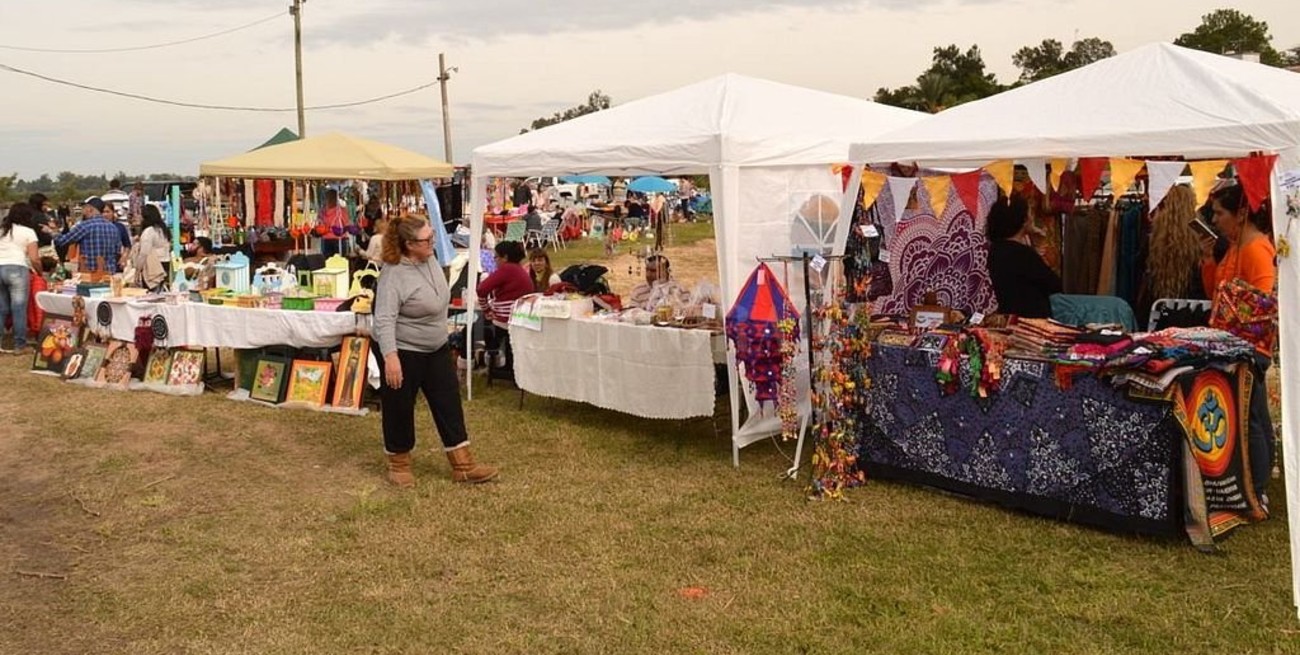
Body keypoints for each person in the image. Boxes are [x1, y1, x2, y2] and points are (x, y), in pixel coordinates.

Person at [373, 214, 497, 487]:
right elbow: (383, 318)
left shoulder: (429, 260)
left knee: (448, 402)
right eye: (426, 240)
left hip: (436, 347)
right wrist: (390, 357)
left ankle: (463, 465)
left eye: (432, 237)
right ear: (408, 244)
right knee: (400, 408)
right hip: (405, 351)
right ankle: (399, 463)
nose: (432, 242)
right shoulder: (393, 275)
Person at [1200, 183, 1277, 513]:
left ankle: (1257, 491)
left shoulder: (1257, 249)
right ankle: (1256, 487)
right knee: (1251, 416)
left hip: (1249, 347)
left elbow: (1264, 304)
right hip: (1231, 346)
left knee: (1252, 421)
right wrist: (1206, 258)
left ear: (1241, 214)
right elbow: (1214, 295)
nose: (1215, 220)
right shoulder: (1235, 247)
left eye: (1220, 213)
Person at [1137, 185, 1206, 324]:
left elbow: (1140, 268)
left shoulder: (1154, 240)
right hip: (1194, 310)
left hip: (1158, 309)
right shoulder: (1203, 237)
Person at [985, 194, 1062, 318]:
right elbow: (1055, 285)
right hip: (1032, 322)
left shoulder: (996, 250)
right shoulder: (1023, 254)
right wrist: (1038, 244)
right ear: (1023, 220)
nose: (1031, 219)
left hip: (1009, 317)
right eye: (1029, 214)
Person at [476, 241, 533, 369]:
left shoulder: (507, 269)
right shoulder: (519, 269)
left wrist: (486, 310)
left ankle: (481, 359)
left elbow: (481, 289)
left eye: (496, 257)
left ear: (505, 257)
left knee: (472, 328)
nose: (494, 261)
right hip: (520, 318)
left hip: (505, 320)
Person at [0, 203, 40, 354]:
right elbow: (35, 258)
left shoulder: (2, 230)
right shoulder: (28, 232)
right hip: (17, 268)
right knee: (18, 309)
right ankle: (19, 345)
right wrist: (40, 272)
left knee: (1, 309)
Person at [53, 197, 129, 274]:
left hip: (89, 273)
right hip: (109, 273)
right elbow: (117, 251)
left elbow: (62, 241)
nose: (83, 211)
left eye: (84, 208)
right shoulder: (113, 228)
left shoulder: (84, 226)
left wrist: (52, 232)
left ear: (90, 209)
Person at [133, 204, 171, 291]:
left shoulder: (149, 231)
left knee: (151, 293)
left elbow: (144, 253)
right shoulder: (163, 229)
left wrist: (137, 271)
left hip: (153, 265)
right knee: (162, 290)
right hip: (165, 261)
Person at [318, 189, 348, 257]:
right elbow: (346, 224)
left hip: (337, 239)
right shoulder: (323, 211)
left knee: (332, 261)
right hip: (331, 239)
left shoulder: (341, 211)